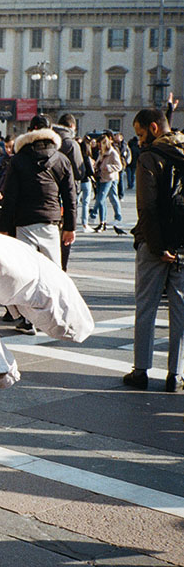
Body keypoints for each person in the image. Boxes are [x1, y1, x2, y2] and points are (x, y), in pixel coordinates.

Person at [0, 114, 77, 335]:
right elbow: (70, 196)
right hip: (51, 223)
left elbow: (10, 196)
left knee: (26, 275)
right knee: (54, 274)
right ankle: (60, 317)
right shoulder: (61, 159)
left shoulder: (19, 159)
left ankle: (28, 320)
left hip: (23, 223)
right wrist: (70, 226)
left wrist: (4, 227)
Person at [124, 108, 184, 393]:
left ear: (153, 128)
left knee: (146, 307)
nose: (138, 140)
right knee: (180, 310)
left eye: (139, 133)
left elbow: (146, 208)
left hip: (154, 244)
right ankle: (176, 374)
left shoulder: (149, 157)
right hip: (182, 246)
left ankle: (141, 370)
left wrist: (158, 247)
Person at [53, 114, 85, 270]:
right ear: (72, 127)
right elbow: (80, 172)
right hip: (67, 193)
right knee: (65, 232)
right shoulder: (71, 144)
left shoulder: (49, 141)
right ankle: (61, 268)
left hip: (49, 194)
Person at [92, 135, 124, 234]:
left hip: (109, 178)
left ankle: (105, 219)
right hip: (101, 177)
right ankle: (103, 221)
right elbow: (98, 162)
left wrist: (108, 167)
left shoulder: (112, 153)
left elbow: (119, 166)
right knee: (103, 200)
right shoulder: (101, 152)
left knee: (101, 199)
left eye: (100, 144)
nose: (98, 146)